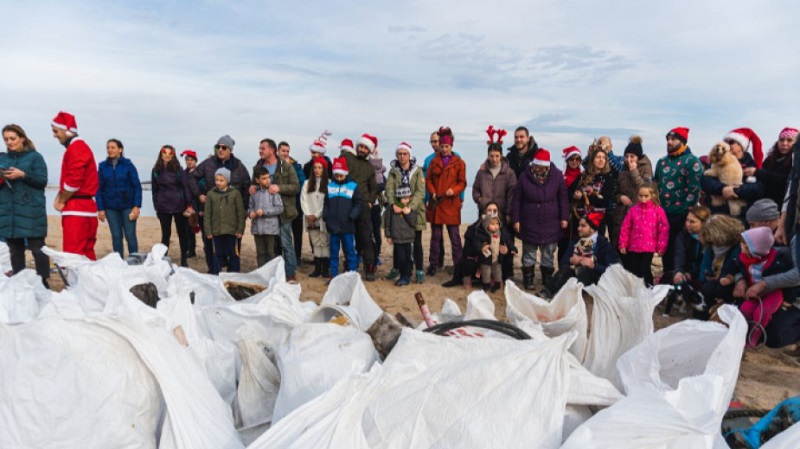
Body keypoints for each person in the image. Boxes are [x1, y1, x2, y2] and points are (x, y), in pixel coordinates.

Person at [189, 135, 251, 273]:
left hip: (232, 216)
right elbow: (192, 177)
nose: (220, 149)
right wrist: (199, 195)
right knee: (210, 244)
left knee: (233, 246)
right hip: (212, 213)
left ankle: (232, 272)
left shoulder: (239, 166)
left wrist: (244, 209)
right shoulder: (208, 163)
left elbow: (247, 186)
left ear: (230, 149)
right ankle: (213, 271)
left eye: (224, 147)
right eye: (218, 147)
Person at [0, 124, 50, 287]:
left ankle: (43, 281)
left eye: (12, 138)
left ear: (22, 138)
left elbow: (42, 181)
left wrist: (23, 175)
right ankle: (19, 283)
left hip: (31, 212)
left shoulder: (35, 157)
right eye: (6, 139)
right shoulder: (2, 159)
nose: (9, 142)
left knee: (38, 249)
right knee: (15, 251)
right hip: (10, 212)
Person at [510, 149, 567, 290]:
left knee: (548, 252)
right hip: (529, 221)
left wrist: (564, 217)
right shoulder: (524, 177)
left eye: (542, 167)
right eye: (537, 166)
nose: (539, 169)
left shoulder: (557, 176)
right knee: (529, 252)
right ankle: (528, 279)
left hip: (551, 221)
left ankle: (547, 279)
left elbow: (563, 198)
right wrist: (516, 219)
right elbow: (516, 200)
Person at [728, 227, 794, 348]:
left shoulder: (777, 259)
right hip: (753, 292)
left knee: (762, 312)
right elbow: (734, 268)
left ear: (755, 249)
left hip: (773, 292)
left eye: (745, 245)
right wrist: (738, 279)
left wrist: (789, 296)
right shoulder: (743, 258)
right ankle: (743, 335)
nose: (741, 246)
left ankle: (754, 339)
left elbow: (787, 278)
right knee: (745, 309)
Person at [654, 127, 703, 275]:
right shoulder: (662, 162)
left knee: (680, 249)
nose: (669, 142)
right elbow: (656, 185)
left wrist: (685, 211)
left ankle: (681, 279)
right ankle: (667, 279)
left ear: (682, 141)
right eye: (668, 139)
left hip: (681, 215)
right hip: (663, 214)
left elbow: (694, 189)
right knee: (666, 249)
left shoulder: (692, 161)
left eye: (673, 139)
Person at [51, 111, 99, 260]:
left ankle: (75, 284)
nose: (54, 135)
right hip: (88, 208)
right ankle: (89, 282)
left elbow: (73, 182)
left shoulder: (76, 148)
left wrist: (61, 200)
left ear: (67, 130)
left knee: (73, 255)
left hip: (77, 210)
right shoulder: (80, 147)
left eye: (56, 131)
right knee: (87, 253)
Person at [539, 212, 620, 299]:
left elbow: (615, 269)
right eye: (579, 225)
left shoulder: (602, 244)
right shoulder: (576, 241)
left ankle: (569, 296)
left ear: (592, 228)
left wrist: (594, 265)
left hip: (594, 279)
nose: (579, 228)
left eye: (583, 226)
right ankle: (547, 292)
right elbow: (563, 262)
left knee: (586, 270)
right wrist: (571, 260)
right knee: (566, 269)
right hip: (576, 275)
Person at [251, 138, 300, 281]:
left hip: (284, 212)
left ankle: (290, 273)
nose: (260, 151)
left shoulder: (286, 166)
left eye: (263, 148)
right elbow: (253, 183)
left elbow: (296, 186)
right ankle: (269, 273)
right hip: (265, 215)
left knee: (285, 243)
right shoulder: (257, 167)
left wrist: (279, 188)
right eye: (259, 148)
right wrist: (252, 187)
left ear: (272, 150)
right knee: (269, 246)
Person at [425, 127, 466, 276]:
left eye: (446, 146)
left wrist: (454, 191)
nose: (444, 149)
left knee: (454, 237)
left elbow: (462, 182)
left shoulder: (459, 163)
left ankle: (459, 265)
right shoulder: (433, 162)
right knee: (435, 237)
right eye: (442, 146)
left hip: (451, 204)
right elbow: (428, 180)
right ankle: (433, 264)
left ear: (451, 146)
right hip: (437, 203)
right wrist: (432, 192)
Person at [384, 142, 426, 283]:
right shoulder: (393, 171)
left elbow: (420, 192)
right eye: (400, 154)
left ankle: (419, 270)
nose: (402, 156)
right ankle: (397, 269)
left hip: (414, 210)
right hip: (397, 210)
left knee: (417, 242)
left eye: (405, 154)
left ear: (409, 155)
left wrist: (411, 206)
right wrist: (393, 204)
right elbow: (389, 189)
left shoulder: (418, 170)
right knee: (398, 242)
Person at [701, 127, 765, 218]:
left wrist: (736, 190)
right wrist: (722, 189)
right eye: (725, 142)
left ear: (741, 146)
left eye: (731, 142)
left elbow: (759, 188)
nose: (727, 145)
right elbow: (705, 181)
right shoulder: (716, 162)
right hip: (716, 213)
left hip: (741, 215)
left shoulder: (753, 165)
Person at [340, 134, 379, 280]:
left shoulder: (370, 167)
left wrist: (369, 201)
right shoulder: (348, 158)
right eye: (361, 146)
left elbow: (373, 187)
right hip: (347, 202)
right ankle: (350, 265)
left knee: (365, 236)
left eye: (365, 148)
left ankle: (369, 268)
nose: (362, 149)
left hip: (363, 204)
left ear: (369, 150)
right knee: (347, 236)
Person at [97, 138, 142, 258]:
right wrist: (100, 209)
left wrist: (136, 206)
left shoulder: (128, 165)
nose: (109, 150)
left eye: (113, 147)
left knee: (130, 235)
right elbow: (99, 189)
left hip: (128, 206)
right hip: (111, 208)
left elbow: (137, 186)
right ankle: (119, 263)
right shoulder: (102, 167)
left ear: (120, 150)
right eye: (108, 147)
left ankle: (135, 260)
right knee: (116, 236)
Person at [618, 184, 669, 286]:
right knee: (633, 270)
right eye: (640, 196)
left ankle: (649, 288)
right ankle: (636, 290)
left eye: (646, 196)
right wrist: (623, 243)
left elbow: (664, 228)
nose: (643, 198)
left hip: (648, 247)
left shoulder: (658, 210)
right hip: (633, 246)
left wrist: (661, 246)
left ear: (652, 196)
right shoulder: (633, 210)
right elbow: (625, 227)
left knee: (644, 269)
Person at [695, 214, 744, 319]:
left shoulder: (738, 248)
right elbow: (705, 265)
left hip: (729, 284)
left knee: (709, 289)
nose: (714, 243)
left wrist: (723, 278)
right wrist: (706, 275)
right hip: (711, 283)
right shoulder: (710, 246)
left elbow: (736, 268)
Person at [442, 202, 501, 289]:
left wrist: (506, 249)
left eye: (494, 211)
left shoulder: (501, 228)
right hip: (476, 260)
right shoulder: (474, 228)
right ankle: (467, 277)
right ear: (484, 212)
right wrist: (480, 248)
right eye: (489, 210)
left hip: (493, 261)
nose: (492, 213)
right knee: (468, 261)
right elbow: (467, 251)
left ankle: (494, 279)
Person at [151, 145, 192, 266]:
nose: (167, 155)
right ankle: (163, 259)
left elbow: (186, 187)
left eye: (170, 153)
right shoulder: (156, 170)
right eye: (165, 153)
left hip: (179, 206)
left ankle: (184, 260)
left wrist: (188, 204)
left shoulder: (179, 170)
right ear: (161, 154)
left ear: (173, 155)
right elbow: (154, 190)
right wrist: (156, 206)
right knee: (165, 234)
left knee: (182, 233)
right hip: (163, 206)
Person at [612, 135, 653, 252]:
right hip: (621, 215)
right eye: (626, 156)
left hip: (639, 215)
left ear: (638, 157)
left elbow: (647, 189)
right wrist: (620, 198)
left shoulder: (646, 168)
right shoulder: (623, 171)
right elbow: (615, 192)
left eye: (632, 156)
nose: (628, 159)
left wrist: (634, 171)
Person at [324, 157, 362, 279]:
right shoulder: (330, 186)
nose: (339, 178)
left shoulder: (353, 186)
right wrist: (326, 217)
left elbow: (358, 203)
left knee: (350, 251)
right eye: (337, 176)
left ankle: (352, 276)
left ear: (345, 173)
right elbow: (326, 203)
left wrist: (352, 216)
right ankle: (333, 276)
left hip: (347, 225)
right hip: (333, 225)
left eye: (341, 176)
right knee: (333, 252)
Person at [205, 168, 245, 273]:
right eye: (216, 180)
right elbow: (207, 214)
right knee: (217, 254)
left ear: (227, 181)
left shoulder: (235, 194)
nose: (218, 182)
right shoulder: (211, 194)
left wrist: (240, 229)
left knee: (233, 254)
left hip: (232, 231)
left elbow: (240, 213)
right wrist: (208, 231)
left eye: (221, 180)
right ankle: (216, 274)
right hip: (216, 231)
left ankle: (233, 274)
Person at [472, 128, 517, 218]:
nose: (494, 159)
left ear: (501, 156)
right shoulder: (482, 172)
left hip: (502, 213)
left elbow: (512, 194)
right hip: (485, 212)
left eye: (497, 156)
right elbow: (475, 189)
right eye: (491, 156)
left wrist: (508, 213)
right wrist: (480, 200)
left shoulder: (509, 173)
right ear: (488, 156)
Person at [665, 205, 711, 288]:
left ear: (704, 223)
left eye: (692, 222)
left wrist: (691, 273)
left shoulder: (710, 239)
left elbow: (705, 261)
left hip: (701, 274)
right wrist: (679, 271)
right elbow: (679, 254)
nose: (688, 224)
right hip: (685, 270)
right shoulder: (683, 235)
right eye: (687, 220)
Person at [573, 146, 616, 234]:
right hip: (581, 216)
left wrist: (584, 196)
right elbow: (573, 191)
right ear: (592, 159)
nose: (601, 160)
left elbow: (604, 199)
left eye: (603, 158)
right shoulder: (583, 176)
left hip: (598, 218)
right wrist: (576, 194)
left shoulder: (608, 177)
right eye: (598, 157)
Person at [301, 157, 330, 278]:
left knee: (324, 242)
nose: (317, 170)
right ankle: (317, 268)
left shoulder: (329, 183)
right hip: (310, 219)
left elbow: (327, 203)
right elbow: (304, 200)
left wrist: (317, 215)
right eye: (315, 168)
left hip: (322, 218)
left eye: (320, 168)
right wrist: (308, 214)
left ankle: (325, 269)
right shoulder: (307, 183)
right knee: (315, 242)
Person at [249, 166, 284, 267]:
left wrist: (264, 211)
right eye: (264, 178)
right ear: (257, 180)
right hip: (257, 228)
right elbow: (250, 207)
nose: (267, 180)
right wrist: (250, 213)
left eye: (268, 177)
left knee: (271, 252)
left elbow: (280, 208)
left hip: (270, 229)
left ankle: (273, 273)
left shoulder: (273, 192)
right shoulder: (254, 193)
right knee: (260, 253)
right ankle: (261, 273)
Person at [279, 141, 306, 267]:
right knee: (282, 233)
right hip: (280, 205)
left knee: (297, 232)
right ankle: (281, 257)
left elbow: (301, 183)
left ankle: (298, 256)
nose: (285, 153)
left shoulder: (296, 166)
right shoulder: (275, 165)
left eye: (287, 151)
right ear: (278, 151)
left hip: (295, 204)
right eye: (283, 151)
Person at [384, 186, 417, 286]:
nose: (407, 200)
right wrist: (388, 236)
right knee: (401, 258)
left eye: (408, 198)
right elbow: (387, 223)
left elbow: (413, 222)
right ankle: (403, 275)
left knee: (409, 259)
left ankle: (406, 276)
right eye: (404, 198)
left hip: (408, 238)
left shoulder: (410, 208)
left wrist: (407, 212)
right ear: (399, 198)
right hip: (397, 239)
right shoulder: (391, 209)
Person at [757, 128, 797, 209]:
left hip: (786, 208)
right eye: (781, 140)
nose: (784, 143)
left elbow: (787, 181)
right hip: (765, 204)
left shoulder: (796, 161)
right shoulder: (770, 159)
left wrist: (759, 173)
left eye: (789, 140)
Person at [477, 214, 517, 292]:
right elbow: (476, 243)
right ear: (486, 225)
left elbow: (509, 241)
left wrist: (513, 248)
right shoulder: (482, 233)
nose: (496, 226)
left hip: (497, 257)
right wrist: (481, 247)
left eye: (497, 224)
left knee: (497, 271)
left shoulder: (502, 233)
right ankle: (486, 285)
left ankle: (498, 284)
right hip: (486, 257)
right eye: (492, 224)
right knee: (486, 271)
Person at [558, 146, 583, 259]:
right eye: (571, 159)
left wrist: (581, 196)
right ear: (567, 160)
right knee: (563, 245)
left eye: (577, 159)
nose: (574, 162)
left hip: (579, 215)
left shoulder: (584, 176)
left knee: (578, 245)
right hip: (564, 213)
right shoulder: (560, 176)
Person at [370, 142, 387, 267]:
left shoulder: (381, 173)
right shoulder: (363, 169)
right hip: (365, 204)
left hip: (376, 205)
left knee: (376, 231)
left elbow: (382, 186)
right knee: (365, 231)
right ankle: (366, 255)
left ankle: (376, 255)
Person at [181, 149, 200, 258]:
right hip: (186, 204)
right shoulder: (183, 173)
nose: (189, 162)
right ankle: (190, 249)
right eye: (187, 160)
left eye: (191, 160)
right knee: (188, 228)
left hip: (197, 203)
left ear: (195, 161)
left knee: (199, 226)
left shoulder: (199, 172)